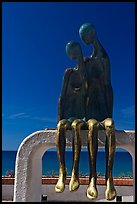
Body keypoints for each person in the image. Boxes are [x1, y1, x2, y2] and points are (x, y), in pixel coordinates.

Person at [79, 23, 116, 201]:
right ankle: (92, 178)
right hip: (91, 113)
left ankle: (109, 178)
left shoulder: (103, 58)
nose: (84, 41)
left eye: (84, 36)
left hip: (103, 110)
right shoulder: (86, 62)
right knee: (92, 127)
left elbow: (109, 87)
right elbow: (83, 90)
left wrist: (110, 113)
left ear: (91, 34)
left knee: (110, 127)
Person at [55, 41, 87, 193]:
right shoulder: (69, 73)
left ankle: (75, 171)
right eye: (71, 52)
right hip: (68, 116)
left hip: (83, 118)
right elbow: (61, 98)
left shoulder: (89, 72)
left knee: (76, 127)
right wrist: (59, 119)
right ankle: (62, 171)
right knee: (61, 127)